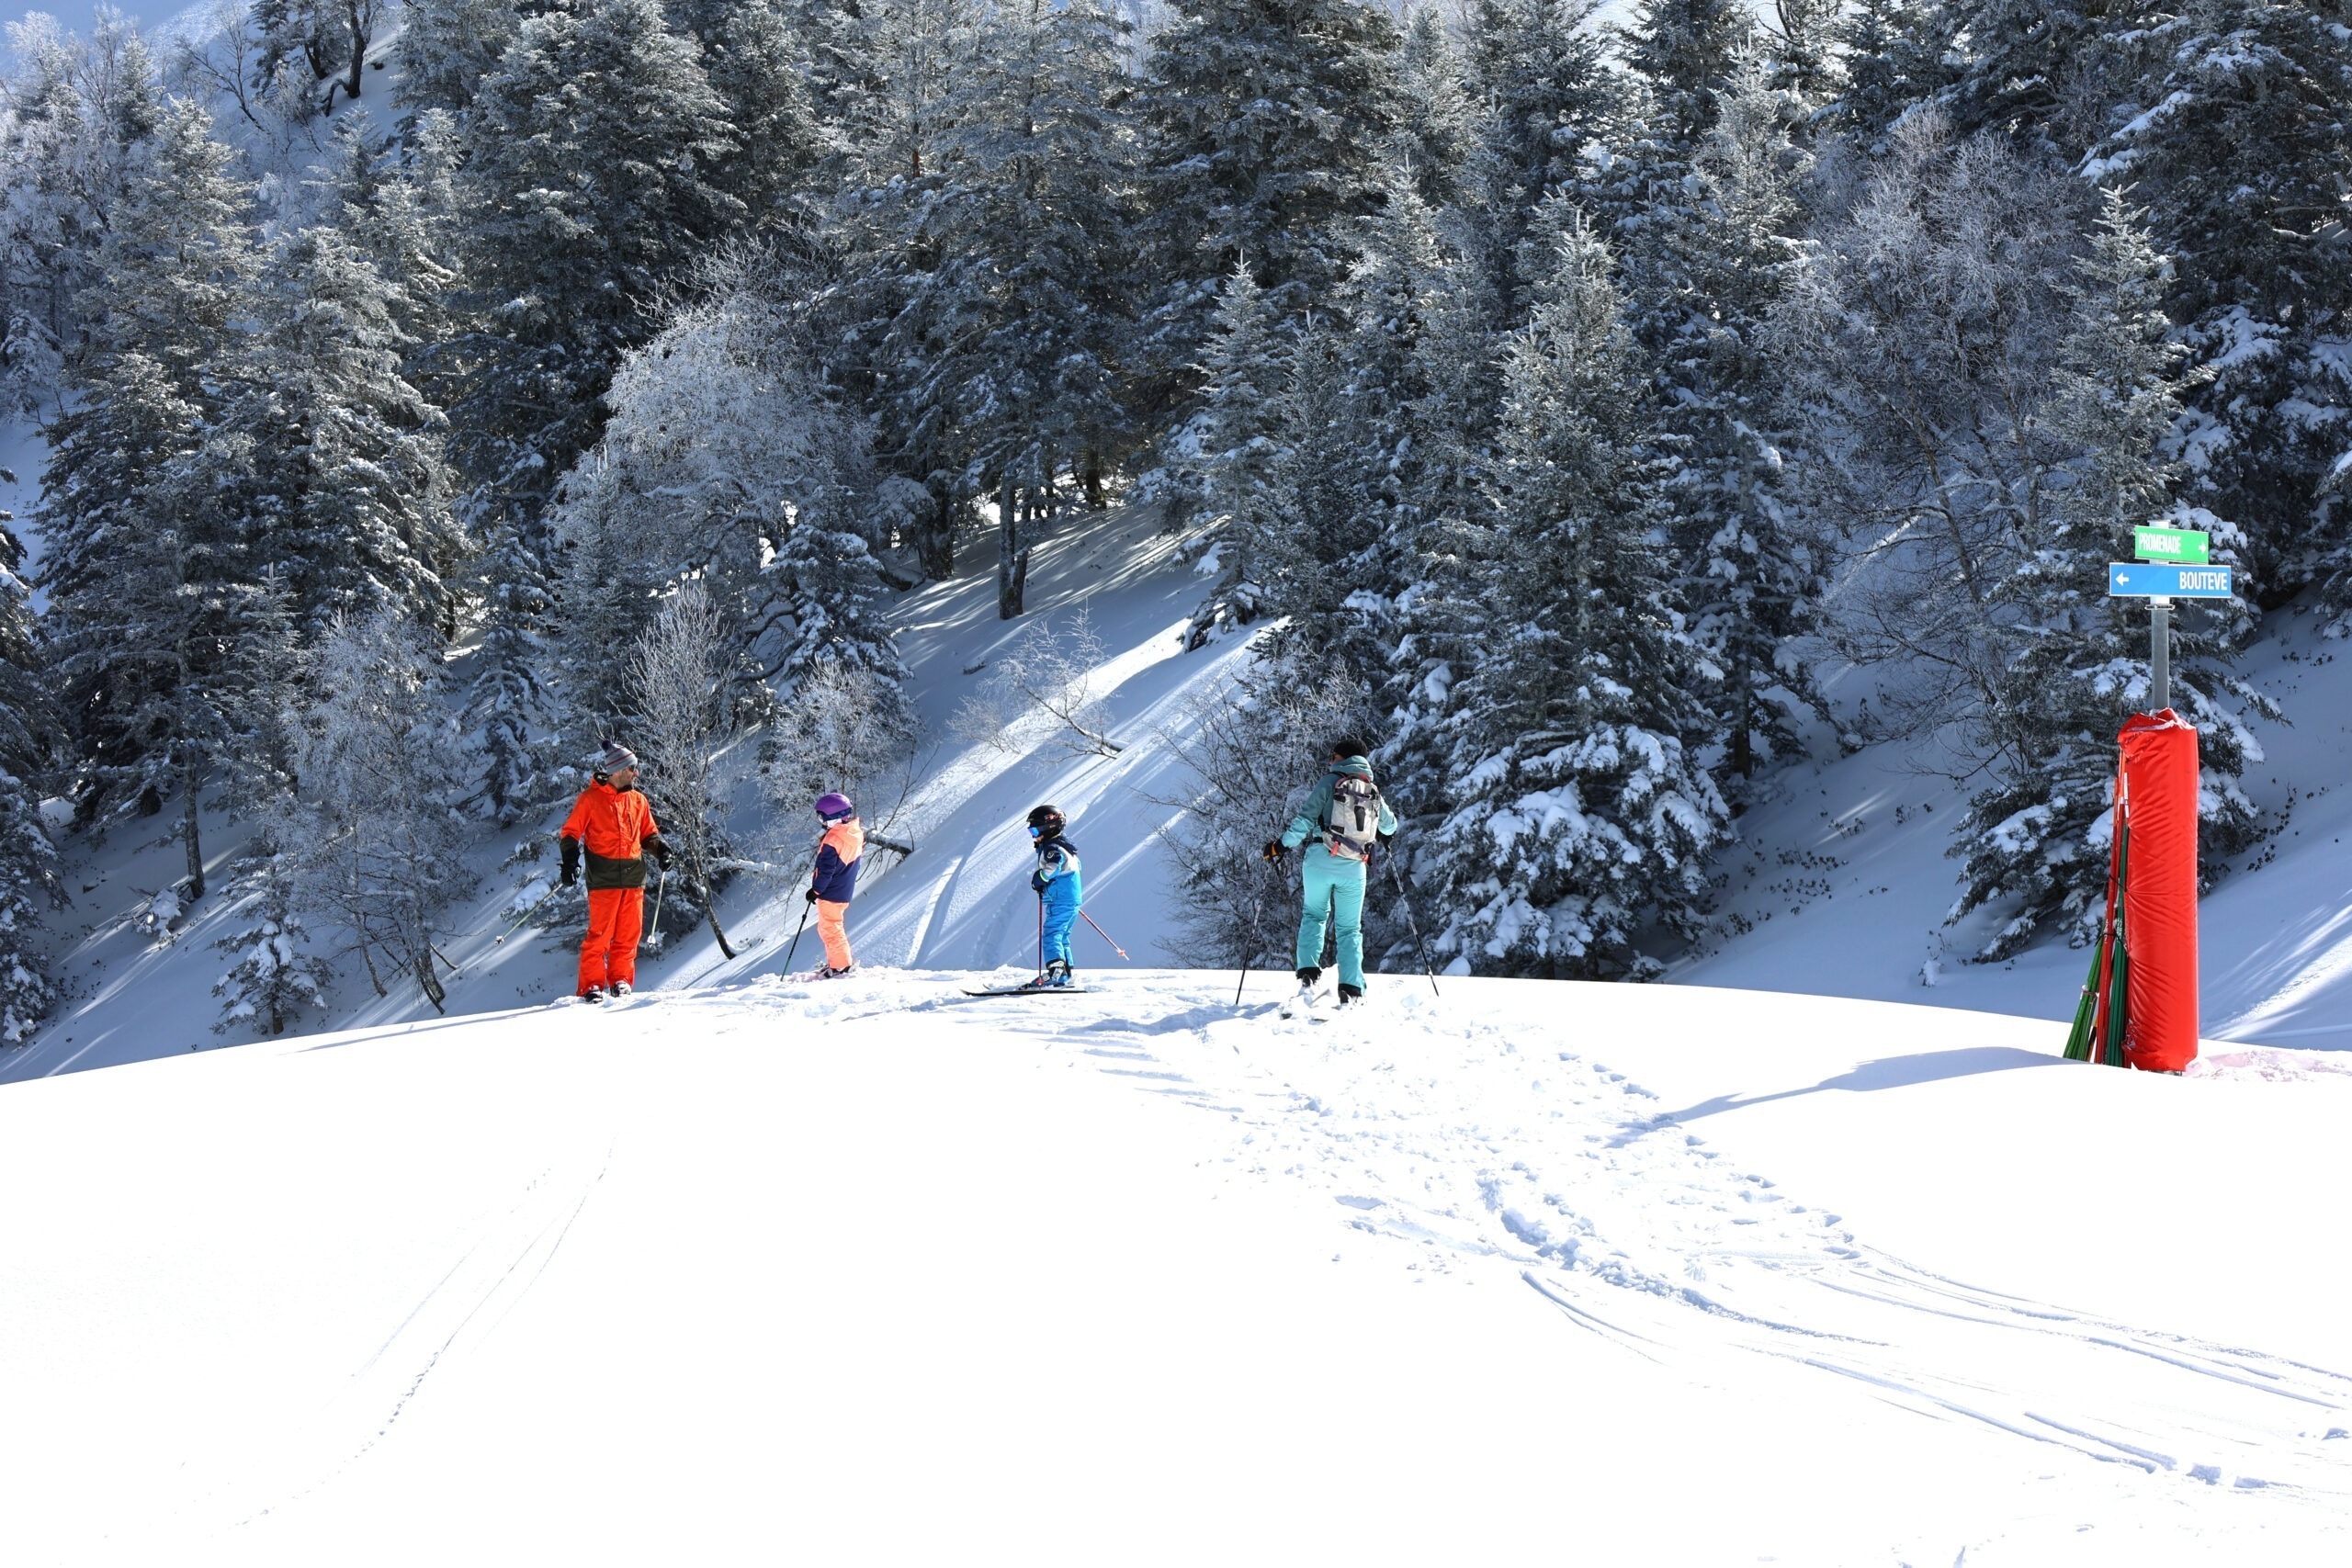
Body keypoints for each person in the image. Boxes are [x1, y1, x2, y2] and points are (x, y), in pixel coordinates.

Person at [1263, 738, 1397, 1010]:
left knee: (1314, 915)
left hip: (1319, 860)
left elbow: (1304, 821)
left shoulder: (1329, 782)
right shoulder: (1371, 788)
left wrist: (1279, 846)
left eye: (1333, 755)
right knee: (1350, 928)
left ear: (1342, 757)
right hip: (1354, 867)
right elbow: (1390, 825)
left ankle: (1309, 978)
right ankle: (1350, 989)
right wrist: (1382, 834)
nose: (1330, 760)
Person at [559, 742, 671, 1000]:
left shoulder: (638, 801)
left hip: (633, 879)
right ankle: (591, 986)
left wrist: (663, 851)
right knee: (600, 936)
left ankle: (620, 980)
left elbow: (648, 834)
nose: (636, 773)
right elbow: (571, 832)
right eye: (633, 768)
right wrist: (570, 861)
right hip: (603, 879)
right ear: (619, 770)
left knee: (628, 936)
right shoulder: (590, 799)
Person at [807, 792, 865, 977]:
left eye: (822, 816)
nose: (821, 820)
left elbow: (825, 871)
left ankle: (840, 966)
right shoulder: (853, 833)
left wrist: (815, 890)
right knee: (830, 927)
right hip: (843, 889)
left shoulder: (833, 840)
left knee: (830, 928)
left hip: (831, 892)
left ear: (833, 817)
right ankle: (838, 962)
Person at [1025, 804, 1083, 988]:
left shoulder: (1052, 848)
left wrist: (1040, 879)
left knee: (1052, 935)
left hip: (1061, 900)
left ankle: (1056, 974)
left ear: (1049, 827)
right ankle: (1066, 974)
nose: (1033, 835)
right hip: (1069, 899)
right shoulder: (1066, 847)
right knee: (1062, 936)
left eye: (1035, 830)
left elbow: (1053, 867)